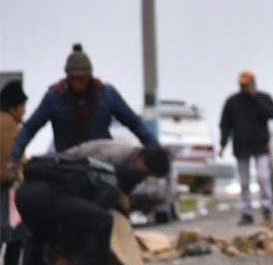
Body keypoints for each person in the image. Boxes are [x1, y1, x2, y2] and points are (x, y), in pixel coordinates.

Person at [13, 150, 160, 265]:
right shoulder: (110, 183)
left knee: (36, 236)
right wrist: (65, 254)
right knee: (103, 219)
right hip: (49, 197)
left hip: (24, 194)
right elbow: (81, 223)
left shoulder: (95, 168)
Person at [7, 44, 159, 175]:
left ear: (90, 76)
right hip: (68, 165)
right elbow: (30, 128)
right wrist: (15, 158)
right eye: (76, 78)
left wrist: (155, 149)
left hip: (101, 164)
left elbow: (134, 122)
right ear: (68, 78)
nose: (80, 82)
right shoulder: (54, 98)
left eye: (84, 78)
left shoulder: (107, 95)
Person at [219, 71, 273, 225]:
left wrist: (255, 98)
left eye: (247, 85)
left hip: (260, 145)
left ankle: (267, 209)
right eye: (242, 85)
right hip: (241, 146)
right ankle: (247, 212)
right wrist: (223, 144)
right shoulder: (232, 102)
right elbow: (225, 124)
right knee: (244, 181)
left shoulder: (263, 98)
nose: (244, 88)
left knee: (264, 177)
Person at [1, 79, 28, 265]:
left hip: (5, 185)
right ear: (14, 107)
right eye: (23, 107)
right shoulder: (9, 124)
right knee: (9, 229)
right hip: (3, 185)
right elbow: (14, 157)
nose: (25, 112)